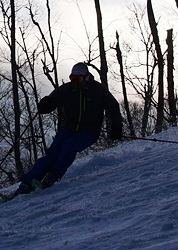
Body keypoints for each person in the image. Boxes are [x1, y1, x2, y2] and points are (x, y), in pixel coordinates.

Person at [15, 62, 123, 195]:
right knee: (53, 152)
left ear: (86, 76)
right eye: (72, 78)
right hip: (69, 128)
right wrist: (46, 105)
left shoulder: (98, 90)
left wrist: (116, 127)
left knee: (70, 146)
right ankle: (27, 182)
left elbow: (113, 107)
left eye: (78, 79)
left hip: (89, 131)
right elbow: (53, 100)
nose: (75, 82)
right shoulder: (67, 89)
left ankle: (53, 175)